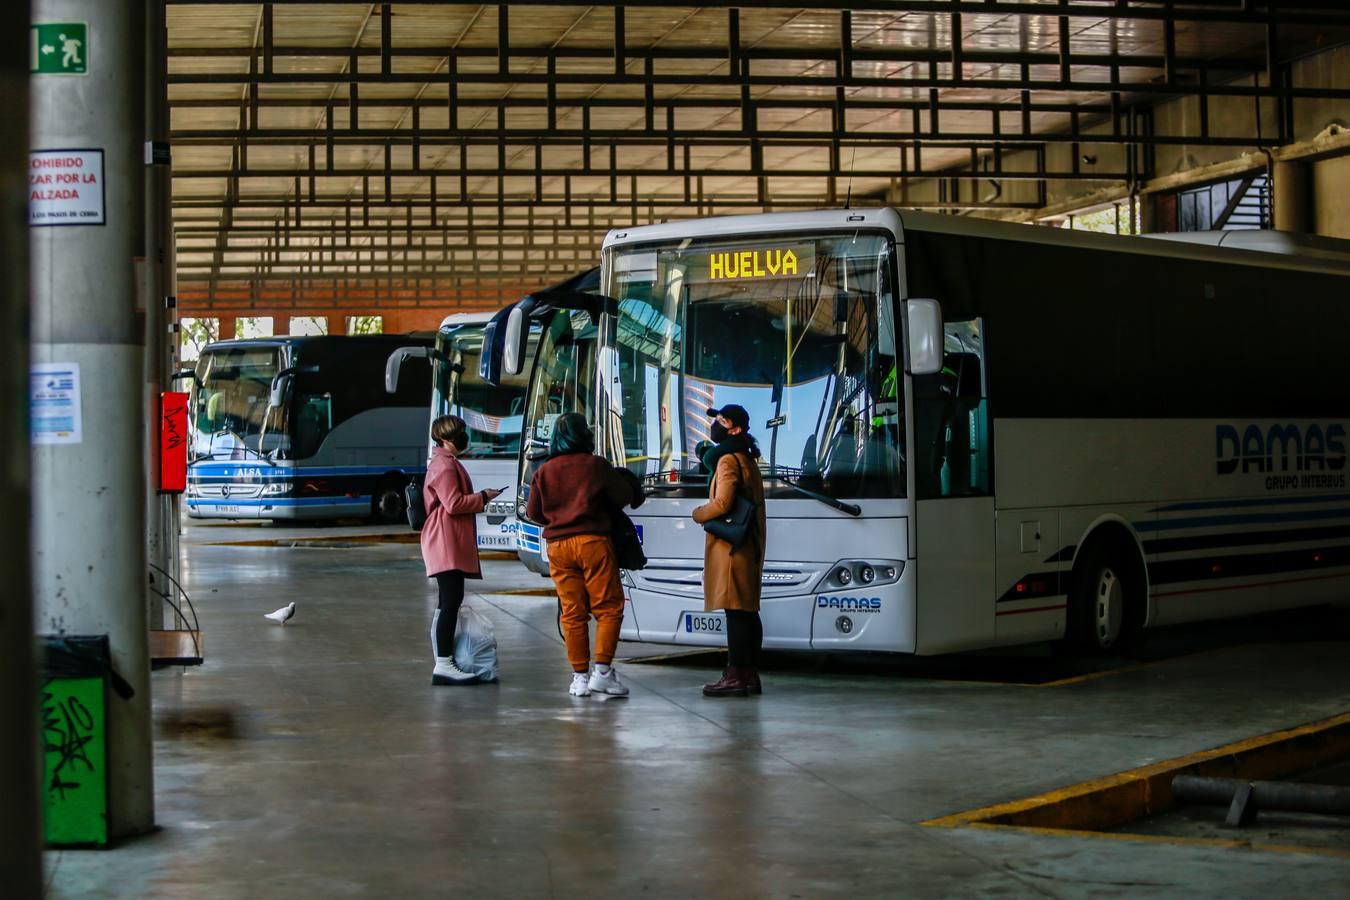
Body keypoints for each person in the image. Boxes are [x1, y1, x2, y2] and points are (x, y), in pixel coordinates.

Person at [527, 413, 644, 698]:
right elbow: (623, 496)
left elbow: (534, 513)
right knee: (608, 608)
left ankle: (579, 677)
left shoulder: (544, 470)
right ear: (585, 436)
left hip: (557, 546)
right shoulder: (595, 465)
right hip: (593, 542)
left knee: (572, 612)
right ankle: (602, 673)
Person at [420, 414, 502, 686]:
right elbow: (453, 504)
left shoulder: (445, 462)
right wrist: (482, 498)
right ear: (445, 439)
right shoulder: (444, 466)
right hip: (445, 540)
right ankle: (444, 664)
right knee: (450, 602)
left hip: (446, 538)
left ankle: (445, 661)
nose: (464, 439)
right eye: (459, 434)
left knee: (449, 601)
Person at [692, 404, 767, 697]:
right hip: (748, 543)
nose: (716, 426)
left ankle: (736, 674)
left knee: (735, 611)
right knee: (747, 611)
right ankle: (748, 674)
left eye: (722, 421)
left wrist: (698, 513)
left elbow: (723, 503)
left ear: (735, 428)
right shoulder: (746, 458)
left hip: (731, 547)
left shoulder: (726, 461)